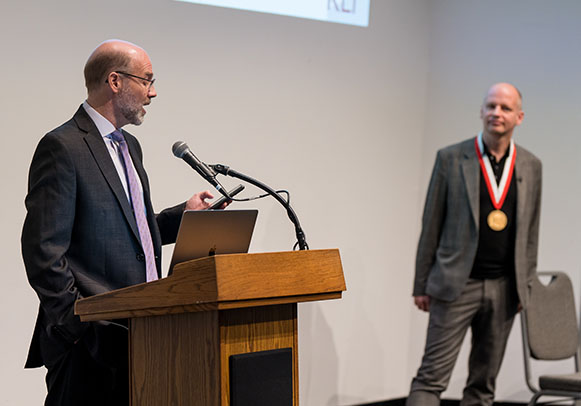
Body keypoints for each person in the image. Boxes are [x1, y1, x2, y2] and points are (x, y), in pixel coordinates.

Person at [21, 40, 221, 406]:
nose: (152, 92)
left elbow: (129, 231)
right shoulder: (63, 146)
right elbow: (43, 251)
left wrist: (184, 216)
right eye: (146, 80)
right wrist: (77, 325)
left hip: (140, 330)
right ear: (115, 81)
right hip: (90, 344)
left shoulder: (129, 146)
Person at [407, 83, 542, 406]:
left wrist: (525, 287)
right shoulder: (451, 158)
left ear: (519, 117)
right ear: (481, 111)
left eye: (505, 108)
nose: (497, 113)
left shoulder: (530, 165)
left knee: (483, 388)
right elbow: (431, 224)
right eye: (491, 106)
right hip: (455, 285)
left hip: (504, 289)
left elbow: (531, 233)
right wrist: (421, 283)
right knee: (430, 379)